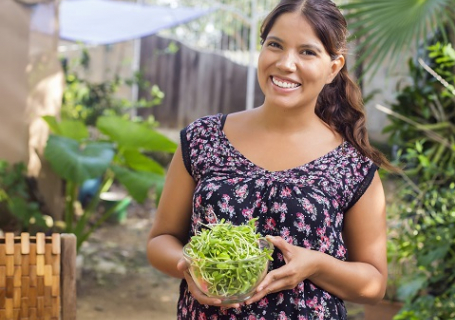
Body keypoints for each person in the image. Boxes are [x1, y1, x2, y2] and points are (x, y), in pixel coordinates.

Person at [147, 0, 396, 319]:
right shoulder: (203, 138)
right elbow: (160, 240)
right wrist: (188, 266)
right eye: (275, 45)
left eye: (307, 52)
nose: (286, 63)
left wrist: (316, 265)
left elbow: (374, 284)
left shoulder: (351, 166)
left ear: (333, 68)